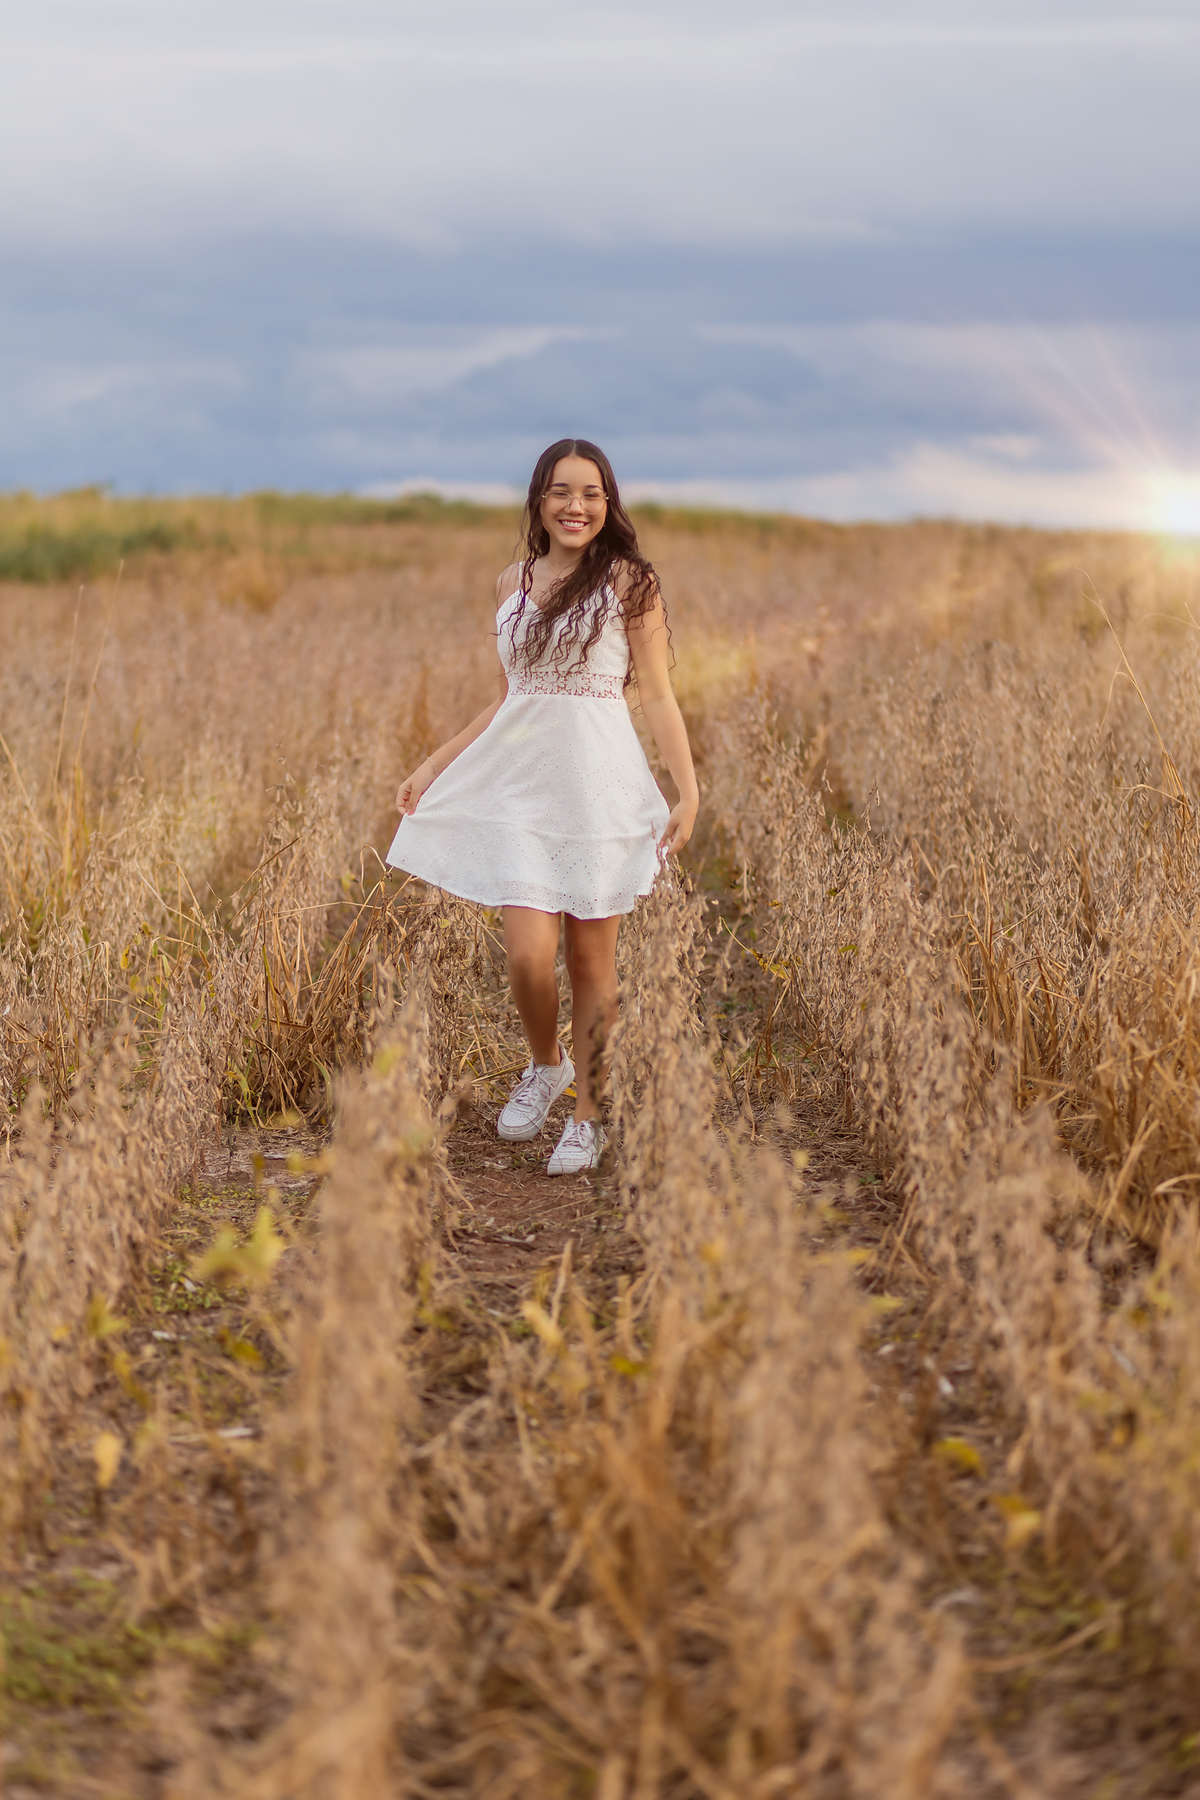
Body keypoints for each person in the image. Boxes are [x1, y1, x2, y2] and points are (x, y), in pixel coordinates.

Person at [387, 438, 698, 1174]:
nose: (576, 506)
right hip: (518, 788)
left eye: (590, 494)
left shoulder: (629, 583)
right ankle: (546, 1065)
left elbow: (655, 691)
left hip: (598, 791)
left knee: (592, 959)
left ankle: (590, 1113)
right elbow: (507, 699)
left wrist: (687, 789)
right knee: (528, 956)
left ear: (608, 503)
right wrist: (433, 765)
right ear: (538, 500)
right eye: (561, 492)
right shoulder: (512, 584)